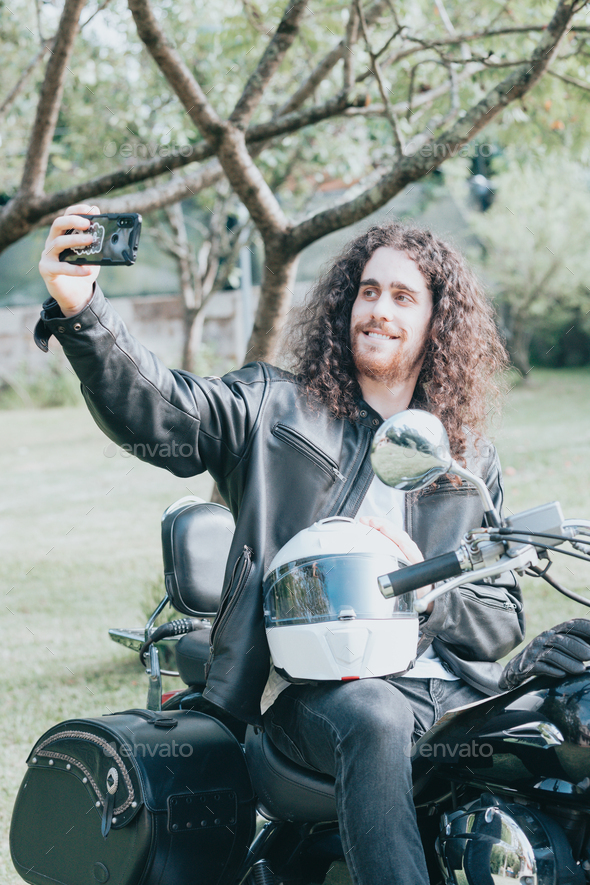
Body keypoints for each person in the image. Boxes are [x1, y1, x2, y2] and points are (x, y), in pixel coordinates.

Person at [37, 204, 525, 885]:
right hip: (310, 699)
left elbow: (503, 616)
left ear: (437, 322)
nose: (379, 310)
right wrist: (82, 309)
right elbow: (162, 409)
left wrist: (431, 593)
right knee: (375, 712)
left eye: (403, 296)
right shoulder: (275, 409)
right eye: (369, 291)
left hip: (447, 698)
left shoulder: (467, 455)